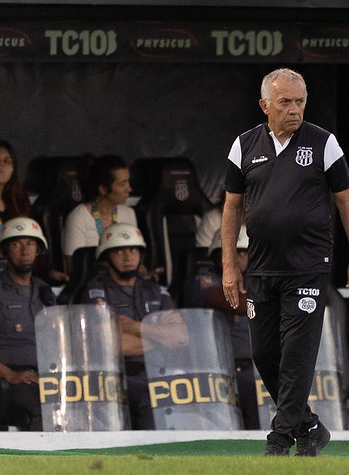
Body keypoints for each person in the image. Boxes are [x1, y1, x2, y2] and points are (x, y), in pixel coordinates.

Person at [221, 67, 349, 456]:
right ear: (264, 105)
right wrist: (228, 265)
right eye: (285, 102)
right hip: (261, 267)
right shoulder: (243, 145)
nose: (294, 109)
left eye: (300, 101)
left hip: (308, 266)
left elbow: (346, 201)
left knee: (297, 355)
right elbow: (231, 208)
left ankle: (280, 437)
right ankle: (310, 426)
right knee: (264, 353)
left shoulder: (324, 143)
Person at [79, 222, 178, 430]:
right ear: (107, 256)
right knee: (149, 396)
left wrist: (135, 327)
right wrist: (160, 339)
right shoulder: (97, 291)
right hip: (118, 374)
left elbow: (180, 336)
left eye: (133, 249)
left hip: (160, 371)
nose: (128, 256)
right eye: (119, 250)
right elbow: (112, 344)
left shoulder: (156, 291)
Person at [0, 217, 57, 431]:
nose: (25, 251)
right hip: (7, 379)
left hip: (46, 377)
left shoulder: (45, 292)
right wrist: (9, 375)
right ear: (5, 251)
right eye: (16, 244)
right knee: (45, 411)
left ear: (38, 249)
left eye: (30, 244)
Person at [185, 226, 259, 429]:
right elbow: (232, 302)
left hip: (257, 368)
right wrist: (274, 297)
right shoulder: (203, 279)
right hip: (219, 371)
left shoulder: (256, 281)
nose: (239, 258)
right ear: (218, 255)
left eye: (244, 252)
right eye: (232, 252)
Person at [63, 155, 137, 273]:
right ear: (103, 189)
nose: (129, 189)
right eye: (123, 184)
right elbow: (73, 268)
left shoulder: (128, 214)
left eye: (128, 182)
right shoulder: (78, 218)